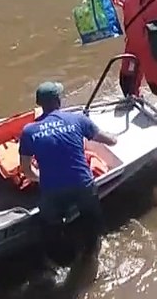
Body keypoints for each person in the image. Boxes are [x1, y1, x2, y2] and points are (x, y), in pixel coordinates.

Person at [18, 82, 119, 275]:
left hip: (52, 190)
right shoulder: (77, 119)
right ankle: (90, 256)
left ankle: (59, 261)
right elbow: (110, 141)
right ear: (58, 101)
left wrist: (44, 178)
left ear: (39, 104)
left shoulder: (29, 131)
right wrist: (113, 137)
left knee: (50, 225)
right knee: (91, 220)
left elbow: (26, 170)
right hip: (82, 185)